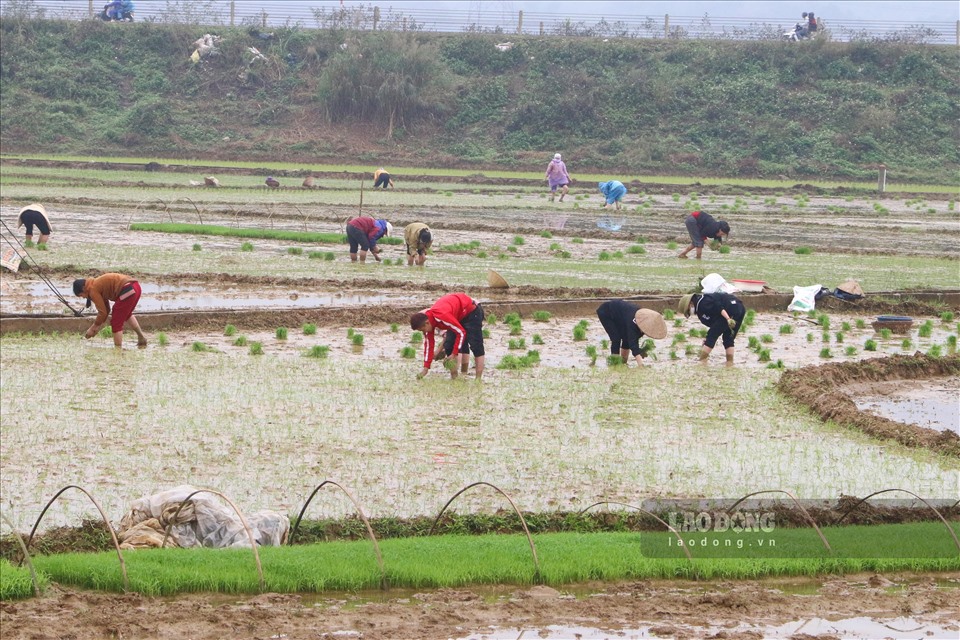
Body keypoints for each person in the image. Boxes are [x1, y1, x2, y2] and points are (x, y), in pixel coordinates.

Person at [410, 293, 485, 380]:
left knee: (476, 345)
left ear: (427, 323)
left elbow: (461, 333)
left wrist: (454, 353)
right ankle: (455, 377)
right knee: (449, 345)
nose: (423, 332)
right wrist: (426, 368)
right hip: (457, 316)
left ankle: (478, 379)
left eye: (422, 330)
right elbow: (428, 345)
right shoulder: (429, 323)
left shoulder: (442, 316)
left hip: (471, 312)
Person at [73, 273, 147, 349]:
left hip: (128, 289)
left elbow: (102, 312)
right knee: (126, 314)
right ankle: (141, 338)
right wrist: (97, 327)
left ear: (84, 289)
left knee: (116, 322)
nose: (84, 298)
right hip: (135, 287)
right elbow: (106, 309)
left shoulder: (92, 289)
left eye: (82, 295)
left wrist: (93, 327)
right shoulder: (95, 284)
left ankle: (118, 350)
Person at [678, 291, 746, 365]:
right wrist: (707, 339)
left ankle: (701, 362)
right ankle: (730, 363)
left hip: (729, 310)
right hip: (740, 307)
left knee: (712, 336)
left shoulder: (702, 303)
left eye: (688, 310)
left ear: (690, 303)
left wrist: (728, 319)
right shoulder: (701, 305)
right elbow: (715, 325)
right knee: (728, 338)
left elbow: (719, 307)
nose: (690, 313)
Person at [596, 300, 667, 367]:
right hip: (606, 312)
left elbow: (628, 341)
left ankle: (623, 362)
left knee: (625, 338)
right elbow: (633, 344)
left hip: (620, 316)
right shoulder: (633, 322)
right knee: (616, 338)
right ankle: (615, 364)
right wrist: (641, 364)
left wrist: (627, 361)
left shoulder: (641, 326)